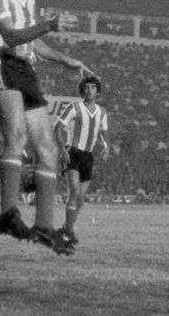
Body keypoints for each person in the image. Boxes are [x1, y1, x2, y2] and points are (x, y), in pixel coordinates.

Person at [0, 0, 94, 255]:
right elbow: (12, 37)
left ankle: (45, 228)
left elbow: (30, 42)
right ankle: (7, 213)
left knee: (49, 151)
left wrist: (63, 58)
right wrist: (49, 25)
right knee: (16, 138)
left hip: (26, 71)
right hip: (4, 66)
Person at [56, 76, 110, 244]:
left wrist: (106, 147)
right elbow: (57, 129)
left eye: (93, 88)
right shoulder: (74, 107)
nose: (89, 91)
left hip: (88, 156)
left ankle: (66, 227)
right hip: (73, 153)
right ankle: (69, 232)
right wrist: (63, 151)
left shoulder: (102, 112)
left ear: (97, 91)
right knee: (74, 192)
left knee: (80, 199)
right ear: (82, 91)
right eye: (86, 88)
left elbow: (105, 132)